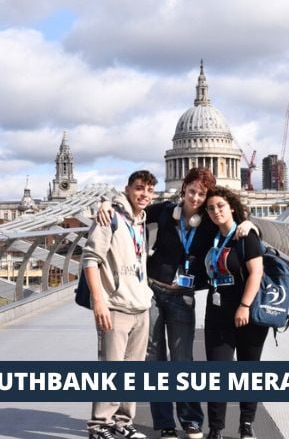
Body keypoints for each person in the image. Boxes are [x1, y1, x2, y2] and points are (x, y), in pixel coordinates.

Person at [98, 168, 254, 439]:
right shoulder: (166, 211)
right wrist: (104, 203)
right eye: (191, 191)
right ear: (183, 189)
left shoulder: (208, 221)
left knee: (183, 358)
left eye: (201, 193)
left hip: (183, 296)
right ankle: (165, 423)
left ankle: (191, 420)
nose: (195, 197)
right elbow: (132, 207)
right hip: (153, 292)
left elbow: (234, 221)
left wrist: (250, 225)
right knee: (155, 359)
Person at [83, 170, 158, 439]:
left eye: (149, 190)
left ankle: (122, 422)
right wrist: (99, 301)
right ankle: (99, 427)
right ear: (127, 188)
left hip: (140, 305)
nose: (144, 195)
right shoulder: (110, 216)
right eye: (139, 188)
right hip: (114, 305)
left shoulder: (141, 220)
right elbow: (90, 259)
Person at [202, 187, 268, 439]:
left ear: (231, 206)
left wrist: (244, 306)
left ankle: (247, 424)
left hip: (246, 312)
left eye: (220, 206)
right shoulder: (210, 235)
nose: (216, 211)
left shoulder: (245, 235)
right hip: (217, 311)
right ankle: (216, 428)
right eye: (211, 208)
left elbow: (257, 273)